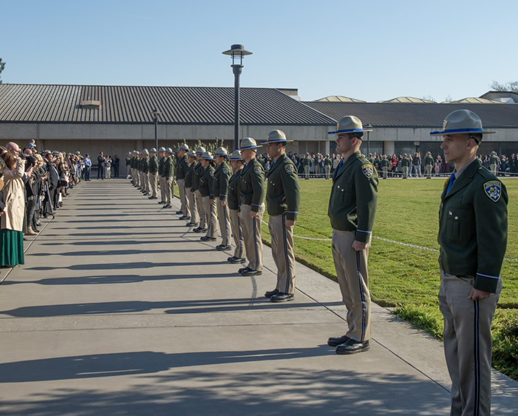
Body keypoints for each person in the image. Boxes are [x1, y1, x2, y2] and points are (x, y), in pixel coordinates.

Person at [430, 109, 508, 416]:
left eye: (451, 138)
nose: (444, 144)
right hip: (452, 282)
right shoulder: (455, 180)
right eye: (444, 138)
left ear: (472, 142)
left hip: (472, 288)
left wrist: (484, 283)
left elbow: (494, 238)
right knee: (457, 361)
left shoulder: (485, 185)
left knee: (473, 365)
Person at [326, 116, 378, 355]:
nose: (337, 140)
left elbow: (367, 205)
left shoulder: (362, 167)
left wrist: (362, 237)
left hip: (352, 236)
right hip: (339, 233)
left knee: (357, 287)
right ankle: (352, 329)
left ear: (355, 140)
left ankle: (361, 336)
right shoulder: (345, 163)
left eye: (342, 137)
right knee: (347, 288)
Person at [262, 130, 301, 302]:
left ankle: (288, 288)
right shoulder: (276, 163)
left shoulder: (286, 165)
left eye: (271, 145)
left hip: (283, 215)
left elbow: (293, 192)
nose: (268, 148)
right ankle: (280, 285)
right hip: (275, 213)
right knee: (278, 253)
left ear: (280, 146)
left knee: (285, 253)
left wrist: (292, 215)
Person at [237, 138, 265, 277]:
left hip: (253, 207)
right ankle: (252, 262)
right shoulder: (247, 166)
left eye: (243, 149)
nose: (241, 152)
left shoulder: (255, 167)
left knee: (254, 236)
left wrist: (254, 208)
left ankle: (257, 265)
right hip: (246, 205)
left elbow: (259, 190)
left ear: (251, 151)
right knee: (248, 236)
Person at [0, 144, 27, 267]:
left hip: (16, 209)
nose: (16, 163)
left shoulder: (10, 172)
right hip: (9, 209)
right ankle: (7, 260)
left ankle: (14, 259)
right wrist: (21, 161)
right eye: (14, 162)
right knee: (8, 233)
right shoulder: (6, 173)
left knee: (15, 232)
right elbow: (19, 174)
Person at [227, 150, 246, 264]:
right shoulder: (236, 174)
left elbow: (240, 194)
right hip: (233, 207)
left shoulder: (240, 175)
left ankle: (241, 254)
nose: (231, 163)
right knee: (235, 231)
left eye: (233, 161)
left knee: (239, 233)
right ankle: (237, 252)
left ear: (239, 162)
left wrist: (239, 208)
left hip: (237, 208)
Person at [213, 147, 232, 251]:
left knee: (224, 220)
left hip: (222, 197)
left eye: (217, 156)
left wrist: (223, 198)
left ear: (222, 157)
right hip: (220, 196)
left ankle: (227, 242)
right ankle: (224, 241)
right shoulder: (219, 167)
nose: (215, 158)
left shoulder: (224, 168)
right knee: (222, 219)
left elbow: (224, 184)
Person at [198, 152, 218, 242]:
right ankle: (209, 233)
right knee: (209, 216)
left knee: (211, 215)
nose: (201, 161)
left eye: (202, 160)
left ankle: (212, 234)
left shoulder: (210, 171)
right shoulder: (206, 170)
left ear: (207, 161)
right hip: (205, 196)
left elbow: (212, 186)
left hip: (209, 197)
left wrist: (212, 197)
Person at [192, 146, 207, 233]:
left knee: (202, 209)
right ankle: (201, 224)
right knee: (199, 208)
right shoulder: (199, 165)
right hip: (197, 189)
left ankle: (203, 225)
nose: (198, 156)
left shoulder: (203, 166)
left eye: (199, 155)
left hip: (201, 191)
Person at [175, 144, 190, 219]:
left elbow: (187, 172)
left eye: (180, 150)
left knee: (184, 197)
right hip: (180, 179)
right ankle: (183, 210)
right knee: (182, 197)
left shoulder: (185, 160)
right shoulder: (181, 159)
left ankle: (187, 213)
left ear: (184, 151)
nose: (179, 152)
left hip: (183, 180)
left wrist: (185, 180)